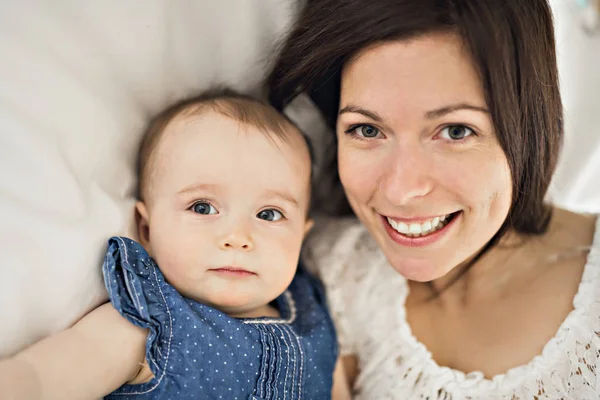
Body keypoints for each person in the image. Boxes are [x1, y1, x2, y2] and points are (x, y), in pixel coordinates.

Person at [268, 0, 600, 398]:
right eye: (367, 130)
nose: (400, 190)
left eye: (456, 131)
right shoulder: (318, 276)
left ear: (529, 126)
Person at [0, 90, 350, 399]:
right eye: (202, 207)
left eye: (270, 214)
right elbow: (41, 379)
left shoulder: (312, 314)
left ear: (302, 235)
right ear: (147, 231)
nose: (239, 238)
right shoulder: (148, 327)